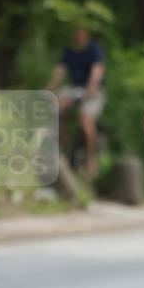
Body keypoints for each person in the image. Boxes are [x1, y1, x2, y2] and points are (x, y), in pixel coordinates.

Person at [45, 26, 105, 178]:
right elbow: (59, 72)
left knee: (85, 119)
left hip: (92, 90)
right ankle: (62, 143)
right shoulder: (69, 51)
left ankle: (91, 159)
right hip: (74, 88)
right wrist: (48, 90)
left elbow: (96, 71)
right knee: (56, 106)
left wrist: (90, 89)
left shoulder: (93, 49)